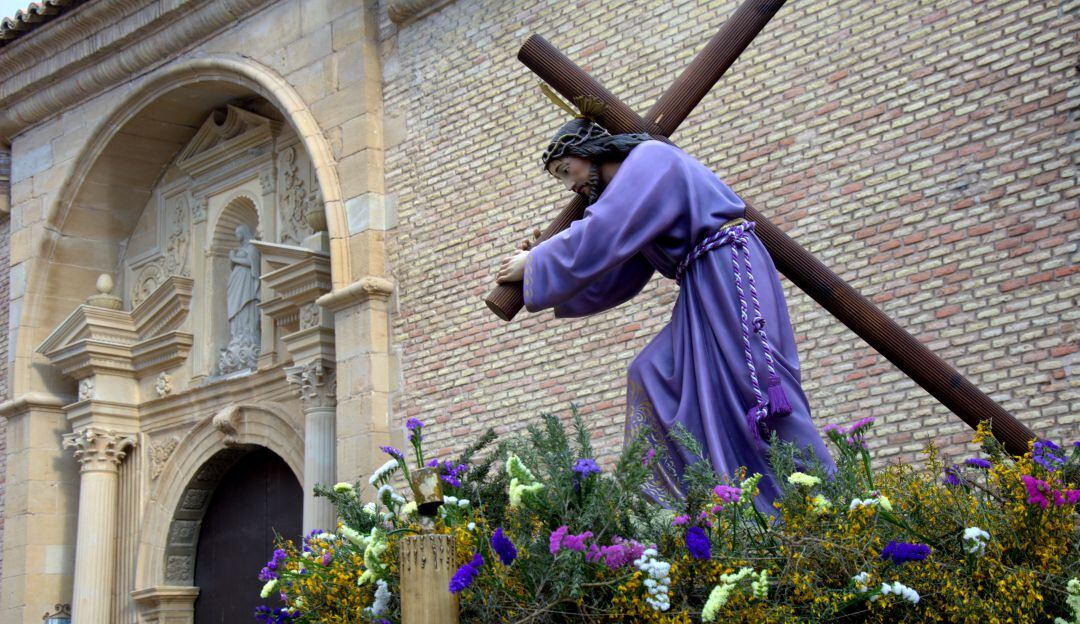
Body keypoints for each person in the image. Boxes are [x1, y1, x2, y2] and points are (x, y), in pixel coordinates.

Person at [497, 98, 835, 511]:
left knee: (759, 387)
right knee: (652, 372)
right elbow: (618, 271)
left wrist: (538, 261)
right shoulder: (630, 204)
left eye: (568, 171)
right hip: (698, 285)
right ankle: (682, 505)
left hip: (729, 267)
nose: (571, 186)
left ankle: (826, 502)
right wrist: (544, 272)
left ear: (592, 152)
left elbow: (603, 230)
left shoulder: (649, 161)